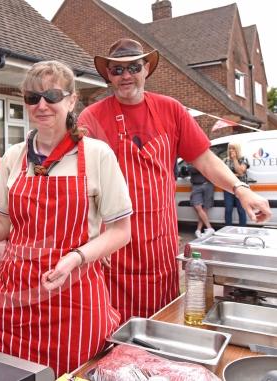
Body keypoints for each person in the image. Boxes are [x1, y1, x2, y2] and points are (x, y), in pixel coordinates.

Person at [0, 61, 132, 375]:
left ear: (72, 101)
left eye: (52, 95)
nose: (41, 105)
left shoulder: (97, 154)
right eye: (32, 98)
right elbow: (2, 226)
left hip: (75, 297)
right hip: (14, 300)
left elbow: (120, 231)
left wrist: (76, 257)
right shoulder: (14, 156)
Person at [78, 38, 271, 322]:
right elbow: (79, 181)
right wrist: (91, 234)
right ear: (108, 75)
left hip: (159, 241)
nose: (126, 76)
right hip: (112, 240)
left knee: (162, 322)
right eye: (117, 70)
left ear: (146, 69)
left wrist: (241, 190)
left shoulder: (171, 109)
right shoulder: (91, 117)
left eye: (133, 67)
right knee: (111, 326)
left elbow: (205, 159)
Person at [224, 142, 250, 226]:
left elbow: (241, 172)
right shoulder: (225, 160)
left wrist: (235, 159)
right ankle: (227, 229)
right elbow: (223, 174)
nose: (231, 150)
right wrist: (236, 175)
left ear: (237, 149)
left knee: (241, 209)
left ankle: (242, 229)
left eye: (233, 148)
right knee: (228, 209)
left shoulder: (243, 159)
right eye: (230, 148)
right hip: (229, 188)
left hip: (241, 188)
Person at [188, 165, 215, 237]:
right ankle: (209, 227)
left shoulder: (207, 158)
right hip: (196, 185)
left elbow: (211, 169)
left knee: (204, 209)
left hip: (208, 185)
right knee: (197, 206)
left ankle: (198, 230)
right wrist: (202, 168)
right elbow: (191, 169)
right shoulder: (191, 159)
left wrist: (202, 168)